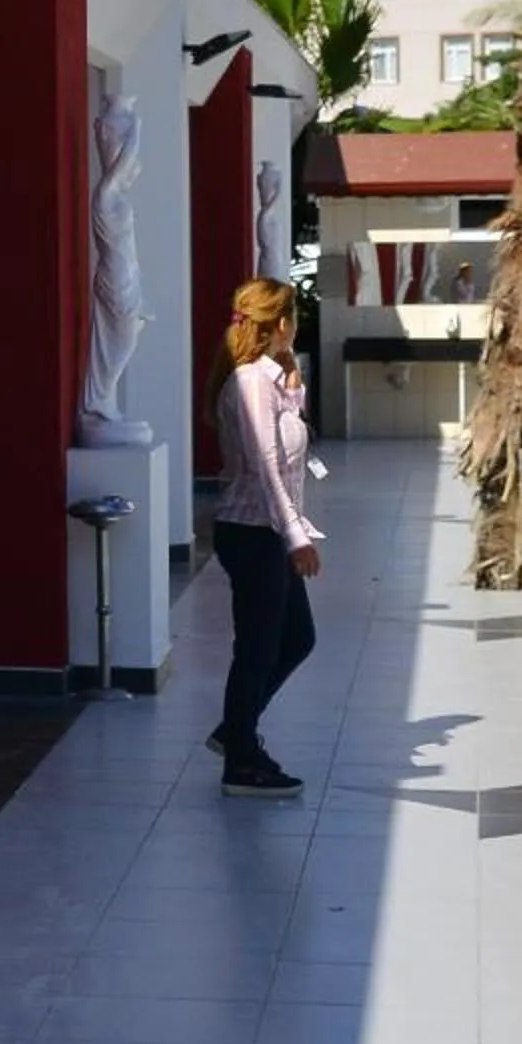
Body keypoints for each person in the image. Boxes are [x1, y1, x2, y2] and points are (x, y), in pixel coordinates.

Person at [207, 277, 321, 799]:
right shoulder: (251, 381)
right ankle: (242, 758)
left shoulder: (273, 379)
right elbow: (268, 467)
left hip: (267, 530)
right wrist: (297, 536)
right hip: (253, 530)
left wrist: (294, 389)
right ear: (281, 323)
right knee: (257, 646)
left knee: (297, 638)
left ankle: (236, 730)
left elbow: (292, 450)